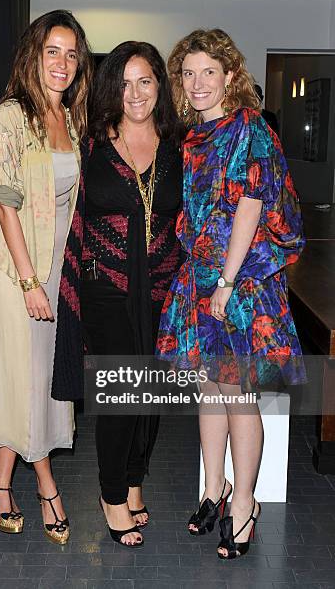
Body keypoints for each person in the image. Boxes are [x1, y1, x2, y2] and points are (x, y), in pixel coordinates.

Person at [157, 28, 305, 559]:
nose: (198, 83)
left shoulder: (249, 129)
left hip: (236, 286)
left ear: (230, 77)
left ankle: (244, 504)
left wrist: (224, 282)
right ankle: (213, 489)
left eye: (209, 73)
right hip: (200, 281)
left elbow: (250, 206)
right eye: (189, 73)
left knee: (239, 396)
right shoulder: (194, 136)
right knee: (210, 393)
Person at [0, 10, 93, 545]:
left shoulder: (71, 116)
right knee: (28, 378)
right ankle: (47, 486)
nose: (62, 63)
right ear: (33, 55)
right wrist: (28, 280)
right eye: (53, 51)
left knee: (41, 377)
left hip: (56, 268)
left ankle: (0, 482)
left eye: (71, 54)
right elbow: (4, 203)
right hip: (15, 269)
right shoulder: (11, 116)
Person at [81, 41, 183, 547]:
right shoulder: (91, 144)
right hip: (105, 287)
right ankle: (111, 495)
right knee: (123, 393)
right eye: (123, 82)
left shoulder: (179, 146)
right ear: (110, 89)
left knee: (152, 397)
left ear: (160, 86)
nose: (134, 93)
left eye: (145, 80)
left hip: (162, 291)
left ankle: (135, 481)